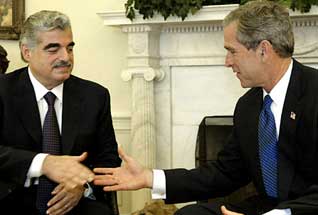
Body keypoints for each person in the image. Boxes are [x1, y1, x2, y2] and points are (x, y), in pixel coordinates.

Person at [93, 1, 318, 215]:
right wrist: (150, 178)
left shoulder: (314, 93)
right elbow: (224, 173)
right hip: (265, 206)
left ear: (263, 50)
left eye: (232, 51)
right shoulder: (249, 106)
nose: (227, 61)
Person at [0, 10, 121, 215]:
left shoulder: (95, 96)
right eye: (53, 49)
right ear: (26, 52)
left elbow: (108, 160)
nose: (65, 57)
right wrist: (43, 163)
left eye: (69, 48)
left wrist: (82, 184)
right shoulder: (3, 91)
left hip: (76, 202)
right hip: (11, 198)